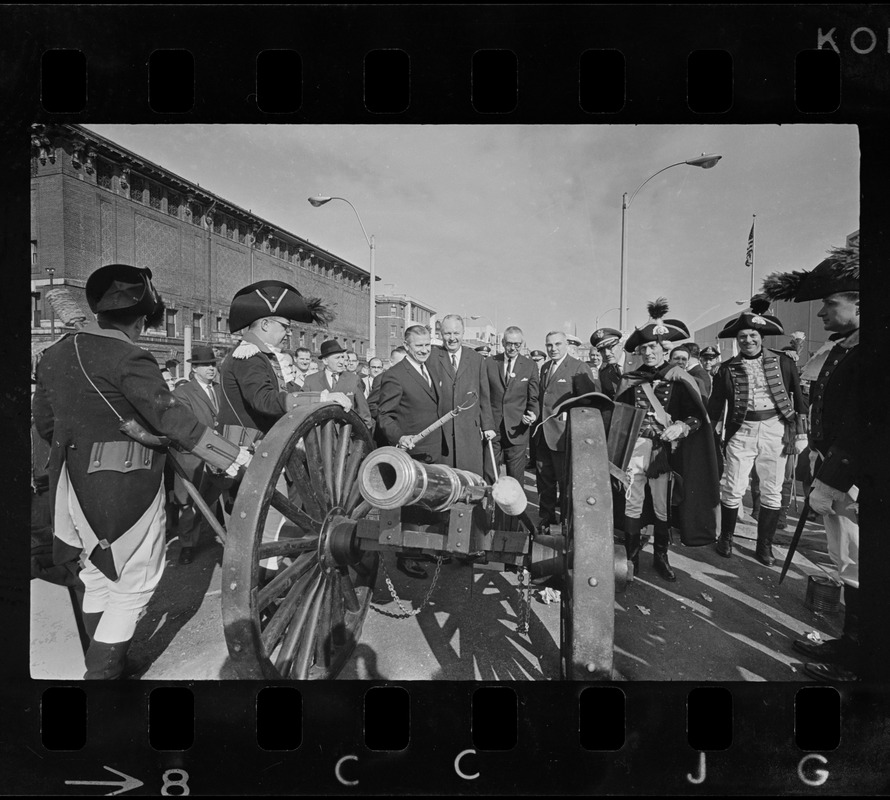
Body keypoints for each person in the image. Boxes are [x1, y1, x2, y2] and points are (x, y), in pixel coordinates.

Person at [31, 264, 250, 680]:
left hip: (73, 483)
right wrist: (231, 456)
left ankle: (107, 660)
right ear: (140, 319)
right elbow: (170, 419)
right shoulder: (130, 355)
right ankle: (103, 677)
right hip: (127, 483)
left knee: (95, 574)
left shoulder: (55, 354)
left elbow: (44, 422)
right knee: (133, 585)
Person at [761, 247, 861, 681]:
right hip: (839, 473)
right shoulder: (847, 347)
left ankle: (864, 664)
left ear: (861, 301)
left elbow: (865, 423)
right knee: (848, 565)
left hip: (856, 480)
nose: (821, 311)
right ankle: (854, 646)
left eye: (830, 302)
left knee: (860, 564)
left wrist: (834, 479)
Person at [614, 299, 720, 581]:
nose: (648, 352)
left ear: (665, 349)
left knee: (662, 505)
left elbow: (697, 417)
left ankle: (661, 555)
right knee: (632, 501)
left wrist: (681, 428)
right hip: (636, 448)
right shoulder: (630, 379)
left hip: (664, 452)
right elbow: (618, 417)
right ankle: (631, 555)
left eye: (654, 348)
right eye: (644, 348)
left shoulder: (680, 378)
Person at [708, 296, 808, 565]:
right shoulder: (726, 369)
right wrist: (711, 431)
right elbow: (715, 405)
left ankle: (764, 545)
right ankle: (726, 537)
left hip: (775, 429)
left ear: (761, 337)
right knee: (733, 487)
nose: (748, 341)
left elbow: (798, 398)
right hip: (742, 430)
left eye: (752, 335)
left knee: (772, 490)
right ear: (736, 340)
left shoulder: (784, 362)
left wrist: (801, 433)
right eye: (742, 337)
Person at [377, 325, 448, 579]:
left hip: (433, 448)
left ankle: (420, 548)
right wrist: (400, 437)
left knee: (427, 503)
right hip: (414, 450)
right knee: (410, 505)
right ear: (406, 346)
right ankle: (405, 557)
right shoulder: (395, 375)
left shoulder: (429, 368)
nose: (424, 350)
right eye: (419, 346)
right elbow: (384, 414)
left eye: (427, 345)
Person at [169, 346, 228, 566]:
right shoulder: (182, 393)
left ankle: (226, 537)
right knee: (191, 503)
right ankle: (187, 546)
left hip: (221, 453)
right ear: (194, 368)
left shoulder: (221, 389)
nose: (211, 369)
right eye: (205, 365)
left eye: (213, 364)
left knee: (220, 495)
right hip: (193, 455)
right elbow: (186, 426)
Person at [532, 331, 592, 533]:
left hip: (564, 437)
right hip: (543, 435)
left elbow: (587, 404)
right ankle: (546, 519)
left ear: (566, 345)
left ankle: (567, 524)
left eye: (557, 344)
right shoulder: (546, 367)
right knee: (545, 482)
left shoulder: (578, 367)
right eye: (549, 345)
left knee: (566, 484)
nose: (553, 349)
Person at [432, 314, 495, 475]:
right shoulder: (432, 357)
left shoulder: (476, 359)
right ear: (440, 333)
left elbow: (484, 395)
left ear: (463, 333)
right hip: (441, 433)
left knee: (471, 480)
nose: (452, 338)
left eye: (456, 333)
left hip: (469, 431)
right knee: (445, 480)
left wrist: (487, 426)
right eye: (447, 333)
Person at [483, 326, 539, 483]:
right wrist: (486, 425)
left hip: (517, 430)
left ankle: (515, 508)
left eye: (517, 344)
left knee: (515, 478)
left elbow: (533, 398)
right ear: (502, 343)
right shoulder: (489, 363)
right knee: (489, 475)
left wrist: (533, 415)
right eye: (509, 343)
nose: (513, 348)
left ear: (522, 344)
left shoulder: (530, 366)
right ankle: (489, 506)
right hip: (492, 430)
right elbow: (484, 396)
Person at [302, 339, 373, 430]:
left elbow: (364, 415)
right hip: (319, 440)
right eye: (337, 358)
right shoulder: (311, 380)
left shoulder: (353, 379)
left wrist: (359, 441)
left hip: (346, 439)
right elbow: (302, 411)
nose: (341, 362)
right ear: (325, 361)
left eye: (342, 357)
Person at [589, 327, 623, 400]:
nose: (606, 353)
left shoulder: (638, 363)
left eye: (610, 347)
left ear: (620, 346)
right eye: (602, 350)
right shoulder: (605, 373)